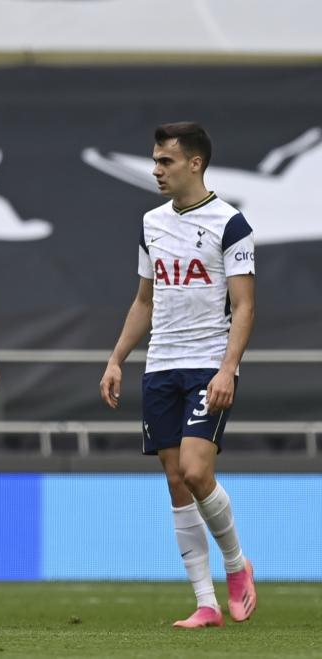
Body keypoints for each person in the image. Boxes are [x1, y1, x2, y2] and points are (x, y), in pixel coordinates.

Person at [99, 122, 257, 629]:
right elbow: (145, 300)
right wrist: (117, 357)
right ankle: (205, 604)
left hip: (208, 364)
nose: (155, 170)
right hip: (161, 366)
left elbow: (245, 305)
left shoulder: (230, 224)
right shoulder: (150, 223)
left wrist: (228, 369)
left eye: (165, 161)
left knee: (195, 469)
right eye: (154, 160)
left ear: (195, 163)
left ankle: (237, 566)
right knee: (175, 482)